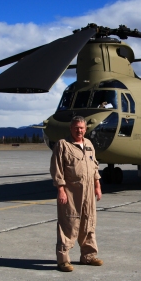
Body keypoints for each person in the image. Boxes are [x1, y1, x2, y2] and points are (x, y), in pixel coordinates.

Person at [50, 116, 103, 272]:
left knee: (89, 222)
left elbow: (95, 167)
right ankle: (63, 260)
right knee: (69, 224)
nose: (79, 130)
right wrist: (61, 189)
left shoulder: (88, 144)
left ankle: (88, 256)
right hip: (71, 191)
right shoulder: (63, 145)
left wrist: (97, 186)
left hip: (88, 192)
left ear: (85, 129)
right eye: (76, 128)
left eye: (81, 128)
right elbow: (57, 169)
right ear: (71, 128)